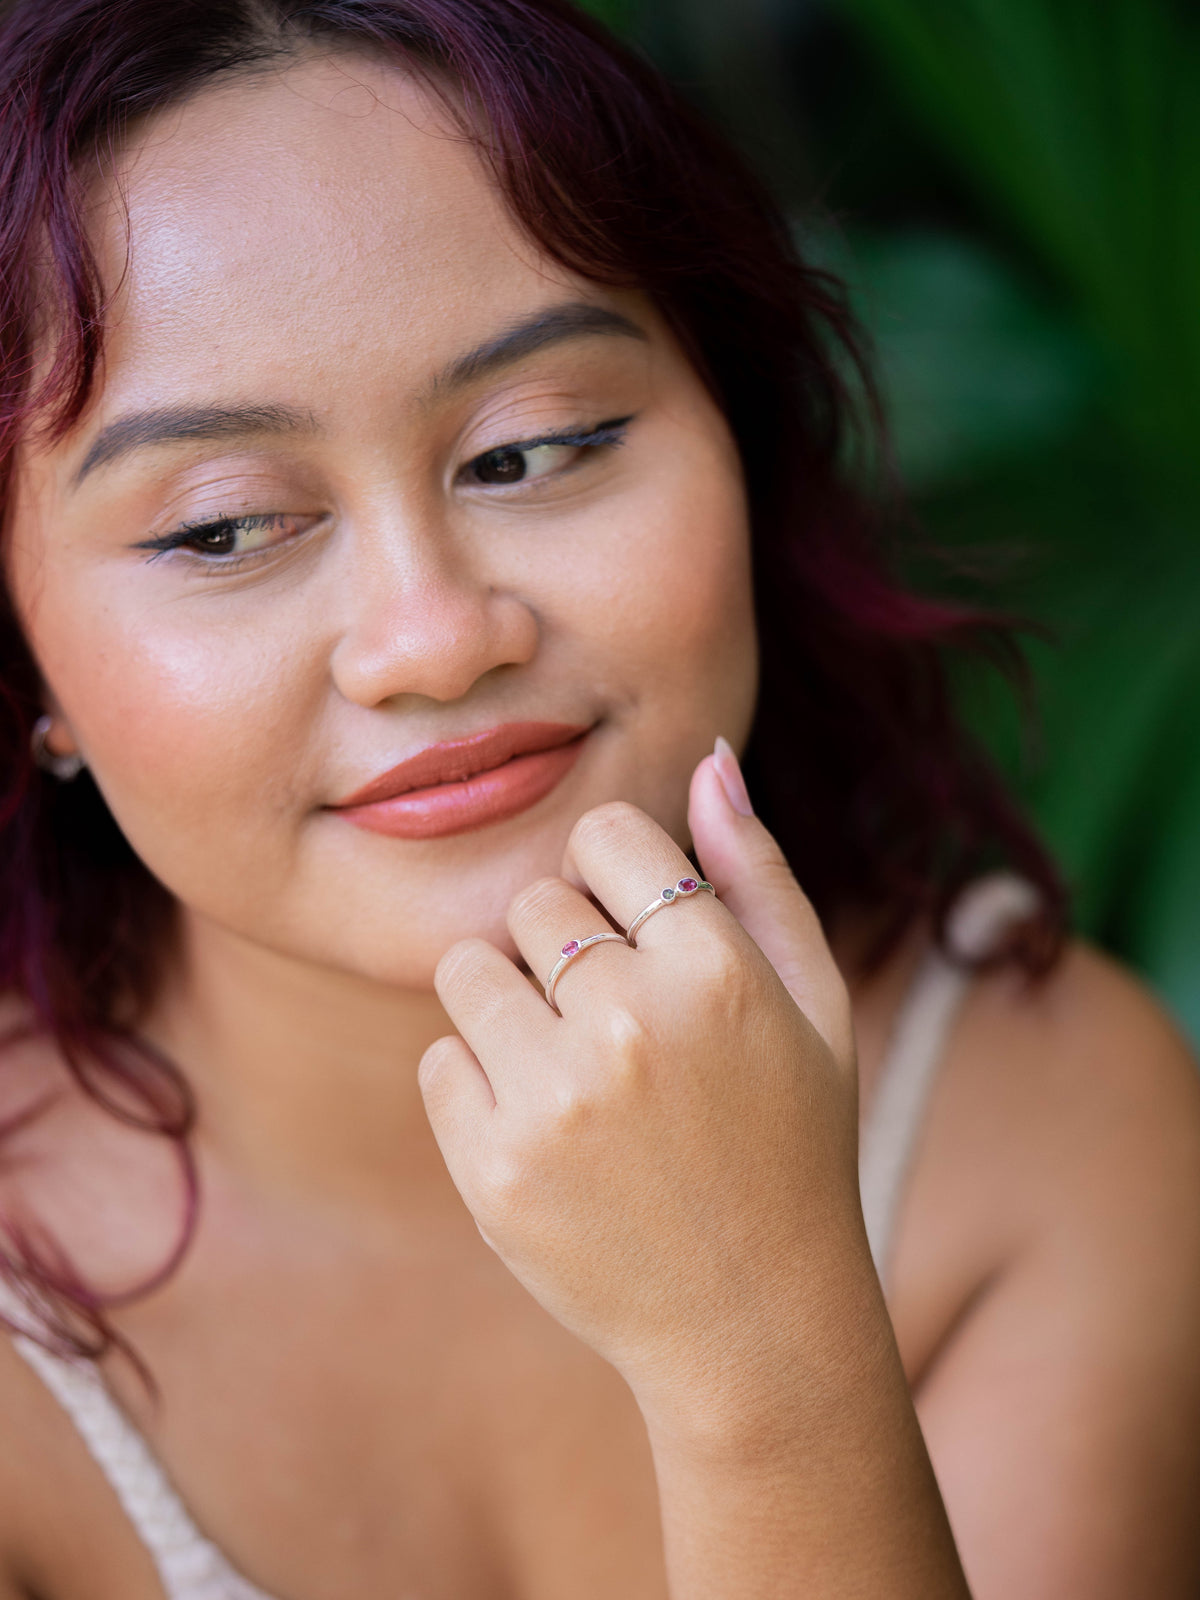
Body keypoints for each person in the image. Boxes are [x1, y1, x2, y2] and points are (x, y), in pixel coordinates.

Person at [0, 1, 1197, 1596]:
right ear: (30, 675)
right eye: (221, 529)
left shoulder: (1047, 1116)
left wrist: (761, 1355)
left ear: (744, 452)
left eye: (534, 448)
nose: (433, 639)